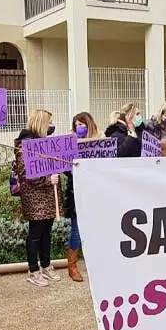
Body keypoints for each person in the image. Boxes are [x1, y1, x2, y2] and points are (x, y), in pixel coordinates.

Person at [13, 109, 63, 287]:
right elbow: (26, 173)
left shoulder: (44, 143)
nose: (51, 126)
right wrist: (47, 180)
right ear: (42, 123)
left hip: (48, 195)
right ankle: (33, 270)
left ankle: (46, 265)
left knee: (46, 233)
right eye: (49, 122)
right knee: (35, 234)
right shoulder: (25, 145)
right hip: (35, 197)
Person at [64, 112, 102, 282]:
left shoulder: (100, 140)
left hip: (95, 191)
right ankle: (72, 267)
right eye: (76, 124)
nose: (79, 127)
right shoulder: (69, 143)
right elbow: (64, 168)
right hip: (76, 191)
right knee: (77, 230)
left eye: (82, 124)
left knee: (96, 229)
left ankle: (95, 264)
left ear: (89, 124)